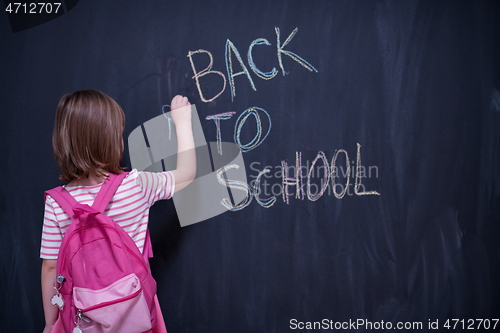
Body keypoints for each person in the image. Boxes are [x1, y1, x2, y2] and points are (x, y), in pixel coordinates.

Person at [40, 90, 196, 333]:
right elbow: (186, 174)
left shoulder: (56, 202)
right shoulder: (137, 185)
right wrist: (183, 121)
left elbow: (51, 267)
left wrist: (51, 324)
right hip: (136, 312)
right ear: (112, 140)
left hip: (83, 318)